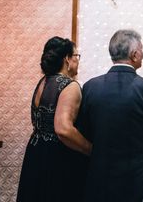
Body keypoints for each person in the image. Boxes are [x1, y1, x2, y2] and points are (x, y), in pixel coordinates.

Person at [78, 29, 143, 202]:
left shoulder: (90, 87)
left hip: (98, 174)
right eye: (142, 49)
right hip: (136, 178)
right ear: (134, 54)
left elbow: (83, 130)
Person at [17, 36, 91, 202]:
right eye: (76, 56)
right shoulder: (69, 85)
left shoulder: (42, 82)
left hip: (35, 152)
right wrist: (90, 149)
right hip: (58, 158)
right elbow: (63, 129)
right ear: (66, 59)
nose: (78, 61)